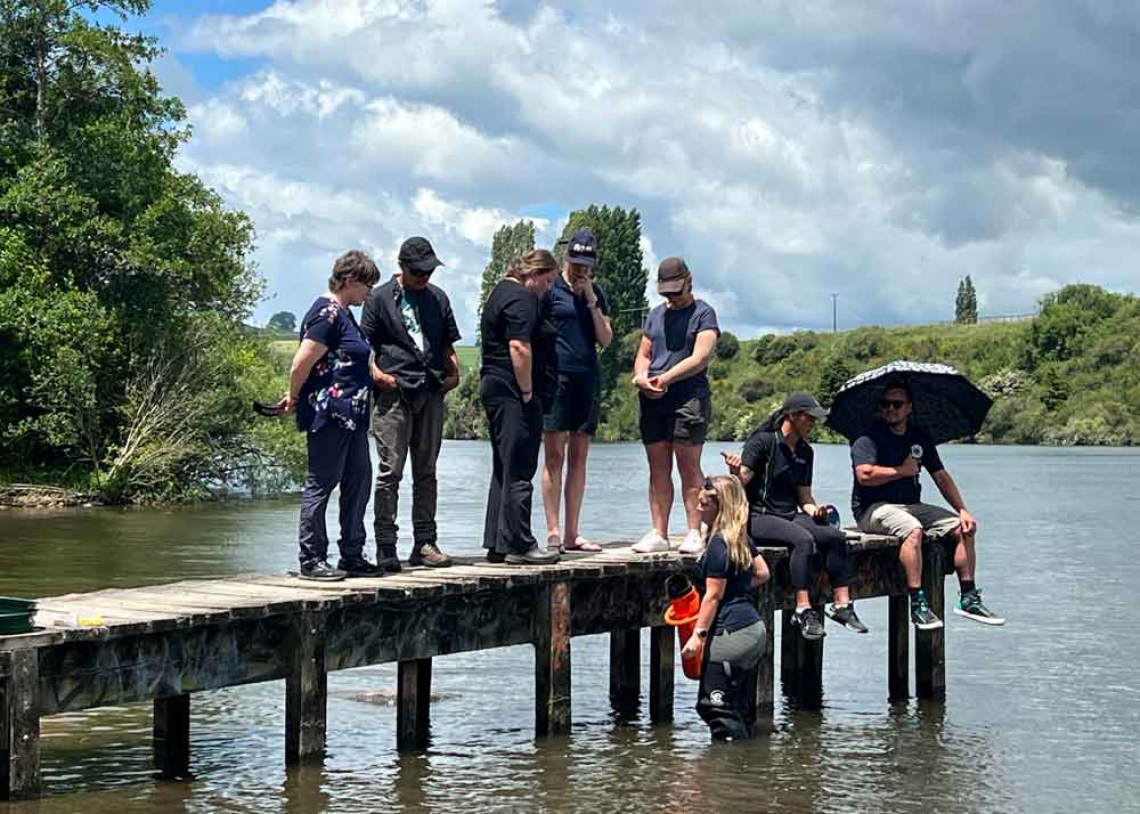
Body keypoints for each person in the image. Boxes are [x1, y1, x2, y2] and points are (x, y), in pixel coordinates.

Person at [851, 381, 1005, 629]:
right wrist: (902, 471)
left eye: (897, 404)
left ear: (909, 408)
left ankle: (968, 597)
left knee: (962, 527)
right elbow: (864, 475)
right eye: (885, 404)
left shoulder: (919, 437)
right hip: (873, 508)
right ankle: (918, 603)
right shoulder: (867, 436)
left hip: (911, 504)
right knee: (913, 530)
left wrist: (962, 510)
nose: (891, 408)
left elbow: (941, 476)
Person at [724, 392, 867, 641]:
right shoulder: (763, 442)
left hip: (789, 514)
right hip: (756, 516)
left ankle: (842, 605)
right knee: (803, 540)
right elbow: (742, 480)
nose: (813, 424)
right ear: (792, 416)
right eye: (810, 418)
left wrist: (816, 511)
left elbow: (805, 498)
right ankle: (802, 609)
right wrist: (735, 471)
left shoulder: (805, 452)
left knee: (835, 537)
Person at [360, 236, 461, 572]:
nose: (425, 277)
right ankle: (386, 547)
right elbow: (365, 347)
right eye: (419, 272)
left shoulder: (439, 298)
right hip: (393, 394)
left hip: (431, 392)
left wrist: (454, 369)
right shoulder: (378, 299)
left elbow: (447, 344)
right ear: (403, 267)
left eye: (429, 271)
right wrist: (377, 376)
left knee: (427, 471)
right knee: (389, 473)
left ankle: (425, 543)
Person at [281, 250, 382, 581]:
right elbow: (302, 362)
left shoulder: (343, 313)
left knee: (358, 480)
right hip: (329, 413)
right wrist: (293, 396)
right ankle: (311, 558)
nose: (369, 293)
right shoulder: (326, 314)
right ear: (350, 280)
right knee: (322, 482)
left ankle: (351, 554)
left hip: (353, 416)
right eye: (367, 285)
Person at [630, 257, 719, 555]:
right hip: (653, 398)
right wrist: (642, 377)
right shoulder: (655, 315)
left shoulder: (704, 314)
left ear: (689, 282)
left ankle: (695, 530)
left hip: (688, 397)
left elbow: (700, 357)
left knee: (688, 466)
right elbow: (644, 352)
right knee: (657, 467)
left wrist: (665, 378)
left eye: (676, 291)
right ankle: (659, 532)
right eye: (665, 293)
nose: (671, 298)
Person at [480, 250, 561, 565]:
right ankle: (519, 543)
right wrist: (527, 390)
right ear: (536, 274)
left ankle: (497, 541)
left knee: (505, 465)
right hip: (513, 391)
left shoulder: (500, 291)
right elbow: (519, 346)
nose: (548, 288)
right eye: (548, 280)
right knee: (521, 466)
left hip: (495, 386)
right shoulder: (521, 297)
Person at [680, 475, 769, 741]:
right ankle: (745, 770)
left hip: (730, 635)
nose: (698, 510)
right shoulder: (739, 538)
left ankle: (731, 770)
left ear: (721, 506)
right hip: (753, 630)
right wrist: (738, 588)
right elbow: (763, 573)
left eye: (704, 505)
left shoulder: (719, 544)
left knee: (714, 707)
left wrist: (698, 636)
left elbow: (713, 595)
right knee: (736, 707)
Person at [540, 229, 613, 554]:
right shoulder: (550, 288)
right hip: (557, 378)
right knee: (555, 455)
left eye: (586, 265)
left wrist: (592, 301)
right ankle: (553, 531)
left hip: (587, 378)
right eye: (576, 263)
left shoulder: (595, 292)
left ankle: (573, 533)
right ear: (566, 258)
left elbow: (606, 340)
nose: (581, 270)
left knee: (580, 457)